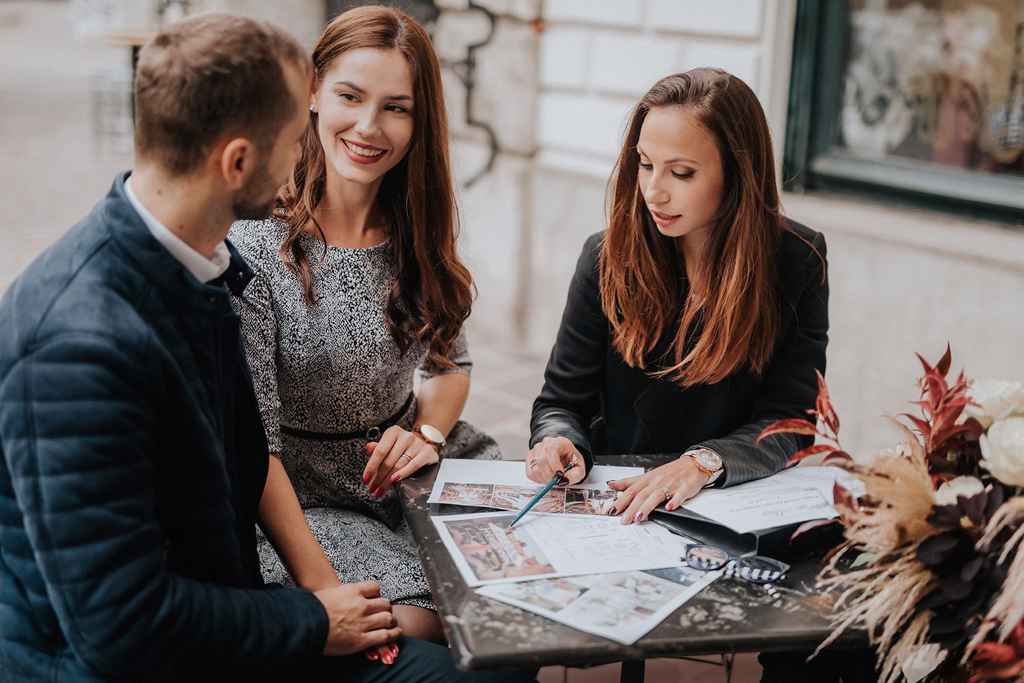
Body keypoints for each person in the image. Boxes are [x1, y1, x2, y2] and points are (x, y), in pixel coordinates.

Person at [0, 13, 528, 683]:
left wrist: (423, 430)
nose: (304, 154)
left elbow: (230, 463)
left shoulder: (196, 265)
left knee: (511, 637)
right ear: (240, 160)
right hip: (138, 649)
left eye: (395, 107)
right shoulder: (79, 344)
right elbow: (120, 625)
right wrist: (312, 614)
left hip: (237, 592)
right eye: (294, 129)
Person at [523, 68, 877, 683]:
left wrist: (704, 463)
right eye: (644, 165)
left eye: (681, 173)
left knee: (848, 620)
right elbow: (561, 400)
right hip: (623, 505)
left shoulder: (797, 260)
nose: (653, 192)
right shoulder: (606, 256)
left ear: (736, 174)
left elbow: (793, 421)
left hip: (738, 501)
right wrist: (556, 440)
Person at [228, 5, 499, 647]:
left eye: (397, 107)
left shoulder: (414, 229)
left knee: (520, 603)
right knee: (447, 628)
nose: (369, 127)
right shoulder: (256, 243)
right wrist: (323, 595)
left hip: (417, 479)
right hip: (302, 505)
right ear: (313, 92)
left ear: (420, 118)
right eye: (351, 96)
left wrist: (428, 430)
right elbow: (254, 446)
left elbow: (449, 365)